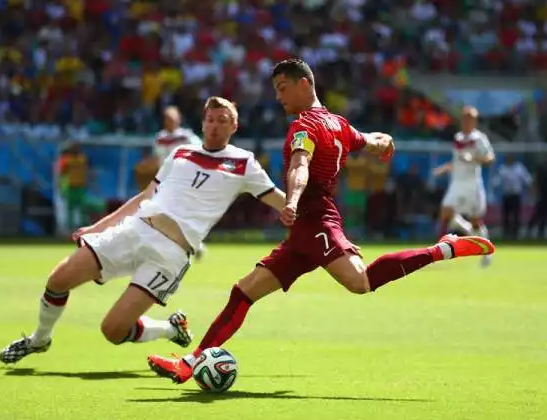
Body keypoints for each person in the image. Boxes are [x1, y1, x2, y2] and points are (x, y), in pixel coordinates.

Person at [147, 59, 496, 383]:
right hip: (303, 231)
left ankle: (443, 249)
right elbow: (369, 140)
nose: (278, 95)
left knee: (360, 282)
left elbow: (300, 166)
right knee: (244, 291)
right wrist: (384, 141)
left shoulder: (304, 127)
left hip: (315, 221)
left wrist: (293, 201)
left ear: (304, 84)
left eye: (283, 87)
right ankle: (190, 363)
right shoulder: (338, 123)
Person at [0, 97, 286, 364]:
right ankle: (39, 339)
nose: (214, 125)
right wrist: (98, 226)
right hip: (135, 229)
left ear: (234, 126)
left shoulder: (244, 163)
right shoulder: (181, 152)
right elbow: (146, 195)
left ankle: (169, 329)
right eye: (210, 119)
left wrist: (313, 215)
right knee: (59, 279)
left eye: (222, 120)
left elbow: (281, 202)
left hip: (170, 255)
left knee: (112, 330)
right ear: (202, 122)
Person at [433, 106, 495, 266]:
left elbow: (490, 158)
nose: (467, 122)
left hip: (472, 184)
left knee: (475, 220)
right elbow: (457, 161)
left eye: (470, 119)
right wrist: (444, 168)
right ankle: (438, 252)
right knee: (445, 211)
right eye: (465, 119)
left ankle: (486, 249)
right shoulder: (458, 138)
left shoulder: (479, 138)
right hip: (457, 183)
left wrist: (474, 158)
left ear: (474, 121)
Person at [154, 105, 207, 260]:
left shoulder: (187, 137)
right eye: (167, 119)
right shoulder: (160, 138)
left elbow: (202, 152)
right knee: (166, 214)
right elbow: (159, 162)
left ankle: (192, 244)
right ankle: (189, 245)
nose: (170, 121)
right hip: (166, 183)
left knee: (182, 214)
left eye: (172, 118)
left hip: (185, 182)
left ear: (178, 120)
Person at [493, 154, 532, 239]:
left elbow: (527, 180)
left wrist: (529, 193)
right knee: (505, 215)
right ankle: (506, 233)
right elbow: (496, 182)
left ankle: (515, 233)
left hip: (516, 195)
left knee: (516, 215)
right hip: (506, 195)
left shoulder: (519, 168)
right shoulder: (502, 168)